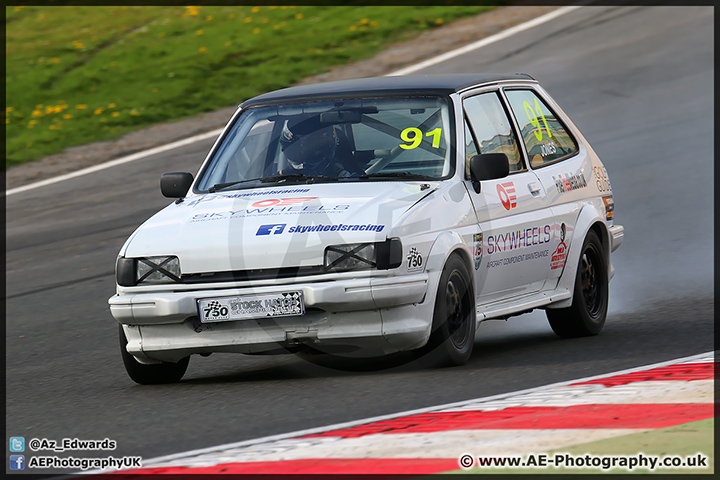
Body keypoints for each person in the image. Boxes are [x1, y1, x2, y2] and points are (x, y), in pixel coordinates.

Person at [278, 117, 362, 177]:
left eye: (310, 150)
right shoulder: (274, 180)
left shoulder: (349, 180)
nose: (303, 157)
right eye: (294, 149)